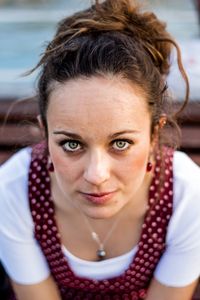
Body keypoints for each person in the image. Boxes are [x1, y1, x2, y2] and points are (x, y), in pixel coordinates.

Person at [0, 0, 200, 299]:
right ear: (44, 133)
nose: (96, 175)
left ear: (154, 133)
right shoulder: (13, 191)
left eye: (120, 143)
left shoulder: (188, 197)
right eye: (71, 144)